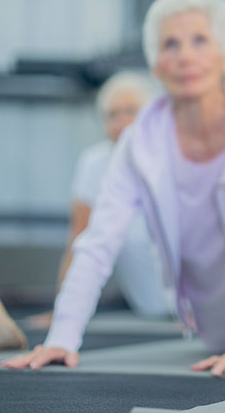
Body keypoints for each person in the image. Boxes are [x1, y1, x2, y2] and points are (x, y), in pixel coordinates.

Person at [1, 0, 225, 377]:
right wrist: (62, 338)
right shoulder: (139, 143)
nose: (185, 56)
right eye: (170, 45)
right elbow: (98, 242)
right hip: (215, 322)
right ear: (155, 65)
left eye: (200, 40)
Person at [26, 72, 170, 331]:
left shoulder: (175, 158)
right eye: (112, 114)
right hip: (148, 303)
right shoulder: (94, 164)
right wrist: (63, 312)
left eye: (130, 111)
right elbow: (78, 239)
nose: (121, 121)